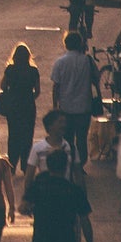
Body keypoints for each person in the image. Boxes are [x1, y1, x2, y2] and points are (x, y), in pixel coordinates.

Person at [49, 32, 99, 171]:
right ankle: (80, 164)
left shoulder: (60, 62)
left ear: (66, 44)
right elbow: (96, 78)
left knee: (67, 139)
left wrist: (55, 105)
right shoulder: (87, 61)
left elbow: (56, 86)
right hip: (84, 106)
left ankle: (69, 165)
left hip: (66, 107)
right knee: (82, 138)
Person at [0, 43, 41, 167]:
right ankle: (25, 163)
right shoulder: (33, 71)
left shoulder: (10, 69)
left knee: (13, 134)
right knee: (27, 135)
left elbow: (3, 86)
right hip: (28, 106)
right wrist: (30, 98)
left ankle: (12, 163)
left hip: (13, 106)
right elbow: (37, 91)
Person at [26, 109, 71, 176]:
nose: (64, 125)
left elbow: (78, 176)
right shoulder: (37, 148)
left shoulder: (71, 148)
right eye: (60, 122)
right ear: (50, 126)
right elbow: (29, 176)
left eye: (64, 122)